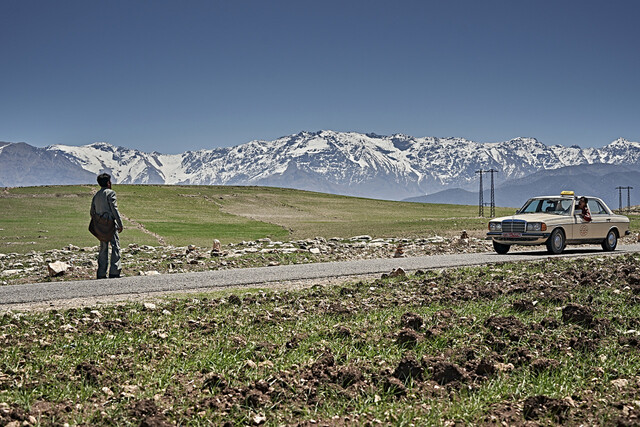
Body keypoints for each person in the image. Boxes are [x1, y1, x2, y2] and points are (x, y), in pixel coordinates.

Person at [90, 173, 124, 278]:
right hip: (110, 225)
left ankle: (101, 273)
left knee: (103, 248)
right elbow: (114, 209)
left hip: (100, 226)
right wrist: (120, 223)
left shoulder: (96, 195)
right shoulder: (111, 193)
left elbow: (92, 212)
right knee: (115, 247)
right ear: (108, 182)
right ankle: (114, 271)